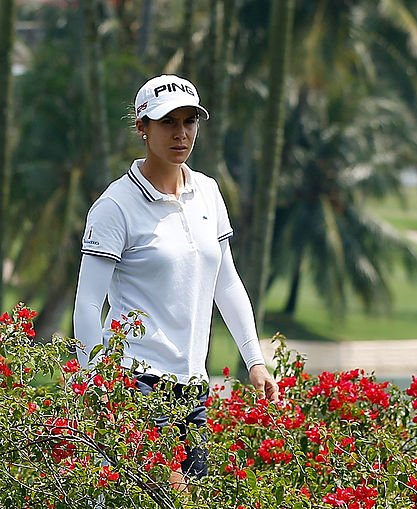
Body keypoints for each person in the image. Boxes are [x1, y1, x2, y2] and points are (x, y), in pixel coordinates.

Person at [73, 74, 279, 485]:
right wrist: (95, 386)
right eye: (168, 122)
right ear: (142, 127)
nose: (180, 134)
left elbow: (227, 283)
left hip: (192, 387)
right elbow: (87, 304)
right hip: (136, 383)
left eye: (189, 122)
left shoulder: (207, 192)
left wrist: (255, 360)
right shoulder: (115, 206)